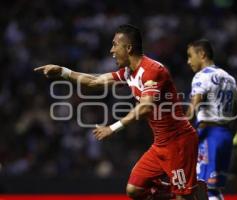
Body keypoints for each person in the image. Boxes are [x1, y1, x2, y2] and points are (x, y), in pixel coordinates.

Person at [34, 24, 207, 200]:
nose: (111, 50)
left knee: (182, 197)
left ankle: (187, 191)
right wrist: (63, 72)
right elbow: (95, 81)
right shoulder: (128, 73)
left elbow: (146, 106)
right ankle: (182, 188)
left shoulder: (153, 71)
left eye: (115, 44)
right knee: (134, 189)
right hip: (160, 144)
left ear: (129, 47)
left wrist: (113, 128)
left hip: (178, 144)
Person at [185, 39, 237, 200]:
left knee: (202, 187)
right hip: (225, 136)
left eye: (190, 56)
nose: (188, 62)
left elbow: (193, 108)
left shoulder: (201, 76)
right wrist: (230, 136)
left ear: (202, 54)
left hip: (208, 134)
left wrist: (179, 133)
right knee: (214, 190)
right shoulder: (229, 78)